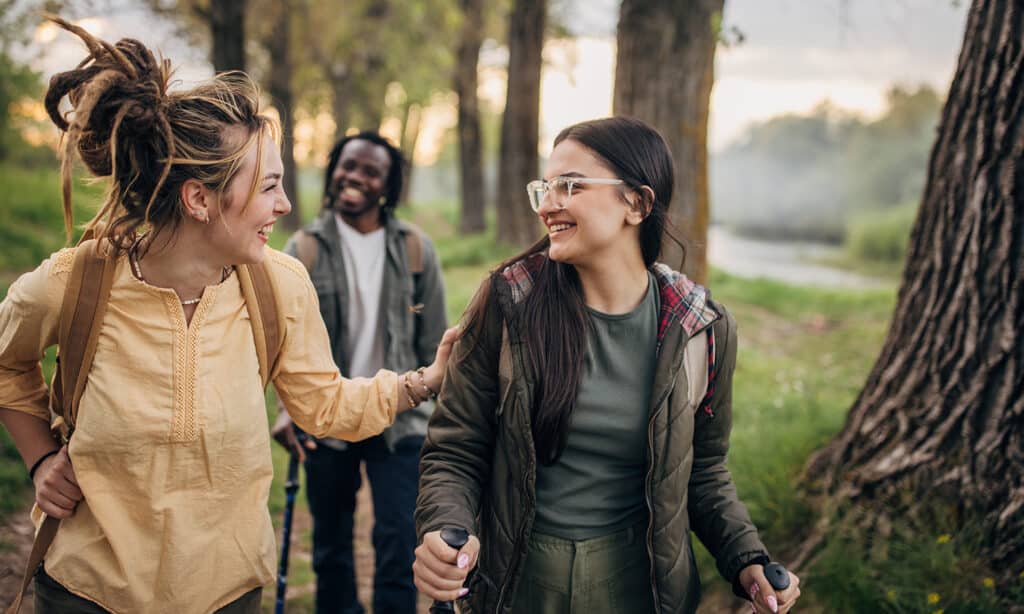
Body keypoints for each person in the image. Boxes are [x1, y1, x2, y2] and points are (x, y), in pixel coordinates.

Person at [0, 17, 453, 614]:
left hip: (229, 591)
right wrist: (38, 458)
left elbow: (325, 406)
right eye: (269, 188)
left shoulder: (279, 284)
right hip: (87, 591)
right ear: (200, 199)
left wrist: (426, 379)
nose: (285, 206)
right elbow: (8, 365)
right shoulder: (74, 283)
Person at [412, 117, 803, 614]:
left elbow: (703, 472)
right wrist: (447, 529)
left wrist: (746, 560)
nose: (549, 203)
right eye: (546, 187)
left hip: (642, 590)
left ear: (636, 203)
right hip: (519, 587)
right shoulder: (508, 303)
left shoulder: (700, 329)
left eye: (571, 185)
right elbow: (455, 450)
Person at [271, 131, 447, 614]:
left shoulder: (416, 250)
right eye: (348, 166)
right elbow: (283, 352)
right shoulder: (301, 251)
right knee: (330, 549)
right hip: (327, 418)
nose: (355, 177)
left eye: (372, 171)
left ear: (387, 186)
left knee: (398, 544)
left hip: (402, 418)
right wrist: (289, 410)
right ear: (333, 170)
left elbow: (435, 346)